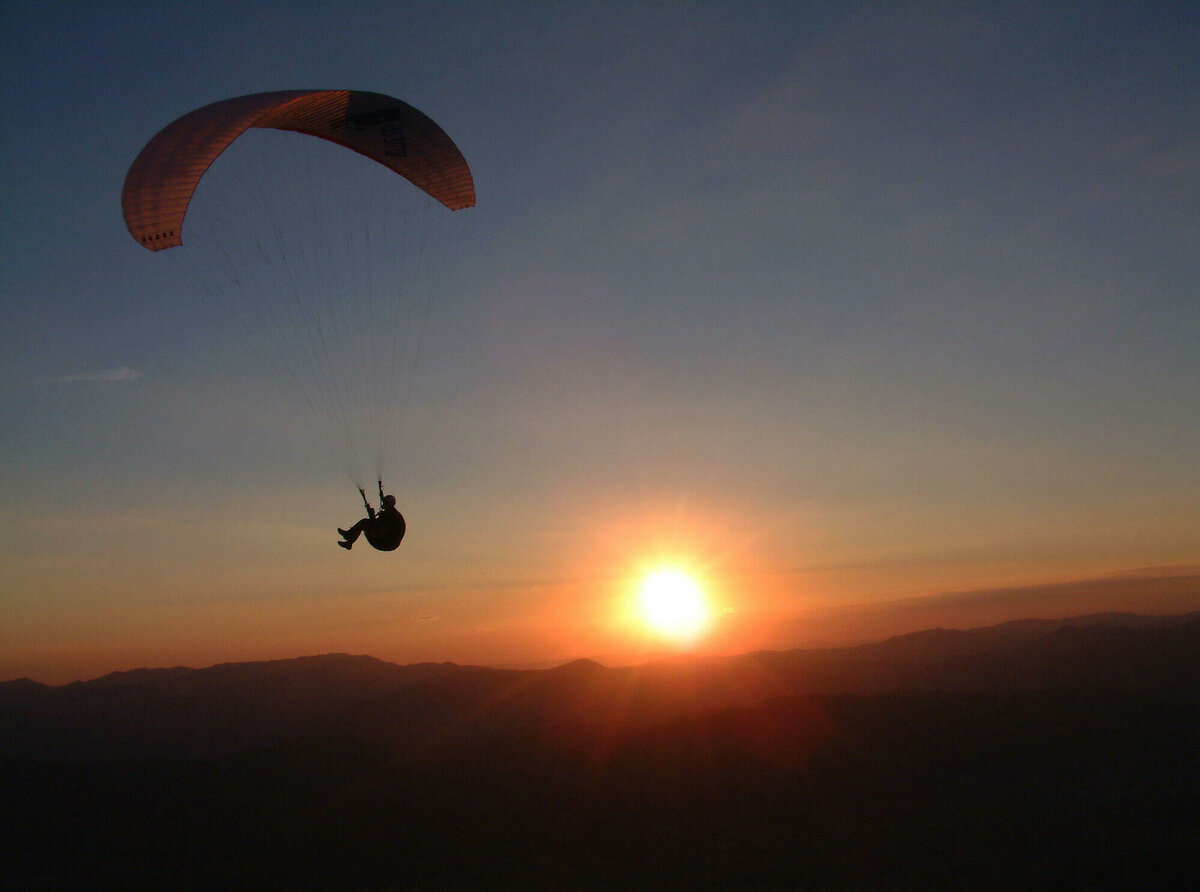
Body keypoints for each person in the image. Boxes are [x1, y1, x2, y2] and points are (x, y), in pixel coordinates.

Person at [338, 482, 406, 551]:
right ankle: (349, 539)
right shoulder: (393, 514)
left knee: (364, 523)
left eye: (384, 502)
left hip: (385, 543)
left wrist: (371, 515)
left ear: (388, 504)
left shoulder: (390, 516)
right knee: (365, 522)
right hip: (389, 543)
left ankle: (349, 539)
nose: (382, 504)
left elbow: (377, 527)